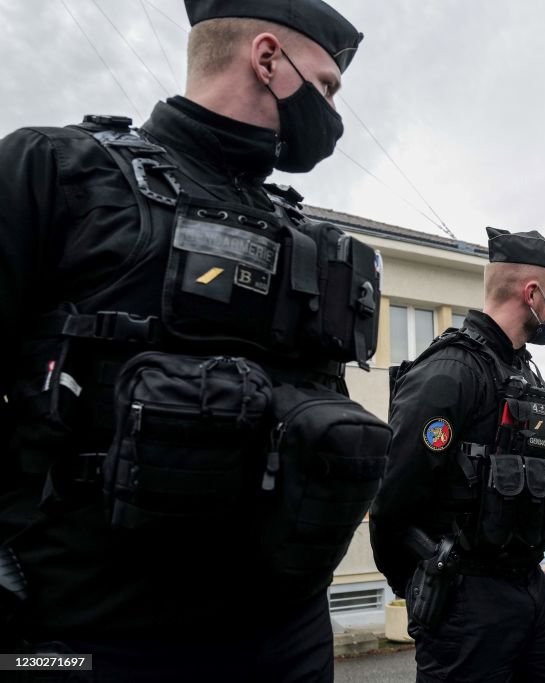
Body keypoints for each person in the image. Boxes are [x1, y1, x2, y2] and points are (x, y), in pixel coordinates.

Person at [0, 2, 389, 681]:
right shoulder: (56, 171)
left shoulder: (316, 246)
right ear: (267, 59)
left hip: (285, 637)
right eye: (326, 87)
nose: (331, 113)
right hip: (83, 637)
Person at [370, 227, 545, 682]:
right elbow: (392, 501)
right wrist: (424, 585)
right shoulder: (449, 372)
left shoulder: (522, 372)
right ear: (532, 294)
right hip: (466, 597)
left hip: (528, 583)